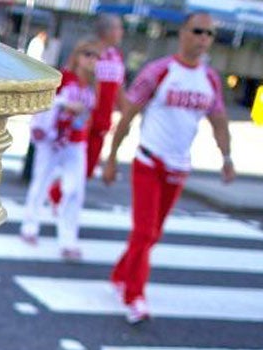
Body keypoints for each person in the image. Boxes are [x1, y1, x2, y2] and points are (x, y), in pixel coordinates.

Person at [103, 12, 235, 324]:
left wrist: (226, 158)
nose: (203, 39)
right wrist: (111, 159)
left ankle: (121, 272)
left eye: (209, 34)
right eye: (197, 31)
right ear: (183, 33)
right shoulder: (159, 70)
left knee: (153, 233)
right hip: (149, 160)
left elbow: (219, 120)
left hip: (179, 166)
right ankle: (135, 296)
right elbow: (128, 115)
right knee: (144, 230)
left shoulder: (211, 79)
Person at [19, 38, 100, 261]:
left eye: (96, 57)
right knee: (41, 183)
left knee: (74, 190)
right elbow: (47, 102)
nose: (92, 60)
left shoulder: (93, 85)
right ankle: (29, 227)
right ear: (77, 56)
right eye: (88, 54)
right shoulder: (64, 78)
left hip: (76, 141)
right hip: (53, 139)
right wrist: (65, 104)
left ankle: (68, 239)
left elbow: (92, 114)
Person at [48, 14, 124, 203]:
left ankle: (58, 195)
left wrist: (124, 111)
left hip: (103, 121)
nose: (121, 33)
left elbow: (118, 88)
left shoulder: (116, 57)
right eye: (118, 28)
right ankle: (58, 198)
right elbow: (70, 78)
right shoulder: (89, 52)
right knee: (74, 167)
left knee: (88, 169)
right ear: (108, 31)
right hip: (81, 120)